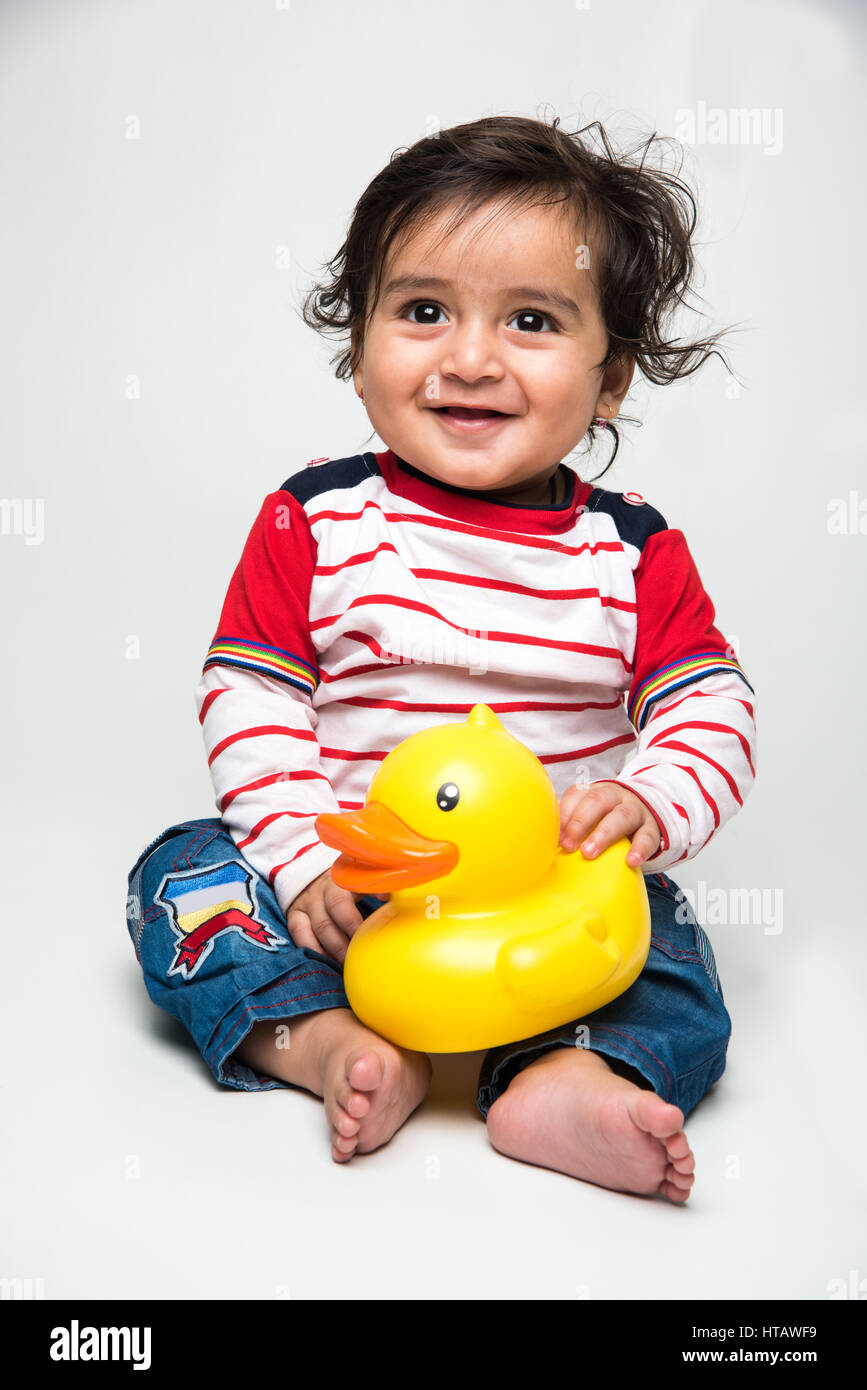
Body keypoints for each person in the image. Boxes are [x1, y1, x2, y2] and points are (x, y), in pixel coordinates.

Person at [126, 114, 757, 1203]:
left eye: (531, 320)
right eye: (423, 311)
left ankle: (566, 1076)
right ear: (359, 343)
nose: (469, 359)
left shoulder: (632, 548)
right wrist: (298, 859)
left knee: (673, 959)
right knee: (179, 879)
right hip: (353, 892)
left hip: (546, 899)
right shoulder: (315, 518)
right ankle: (329, 1042)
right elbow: (250, 698)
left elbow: (713, 707)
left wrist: (652, 801)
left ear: (611, 380)